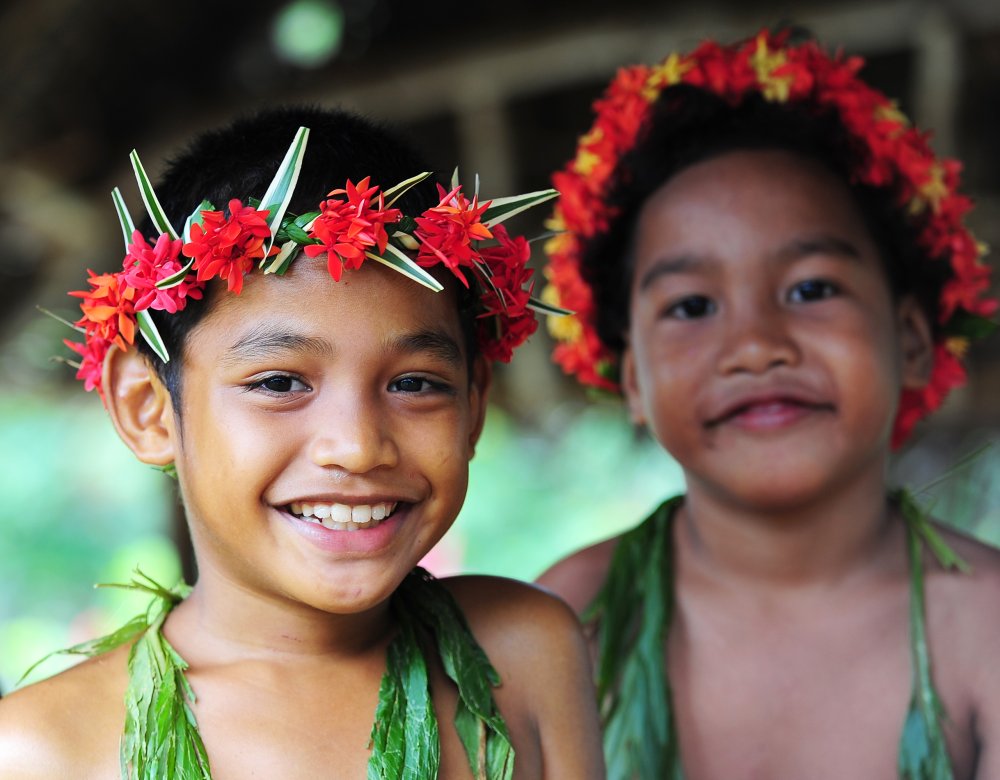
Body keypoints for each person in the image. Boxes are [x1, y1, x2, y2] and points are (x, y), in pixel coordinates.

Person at [0, 105, 604, 779]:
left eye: (413, 384)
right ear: (149, 409)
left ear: (474, 405)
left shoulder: (523, 655)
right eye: (280, 382)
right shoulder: (44, 752)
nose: (358, 447)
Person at [536, 30, 1000, 779]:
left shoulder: (986, 626)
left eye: (812, 289)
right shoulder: (566, 624)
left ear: (912, 340)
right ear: (633, 382)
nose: (756, 346)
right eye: (691, 306)